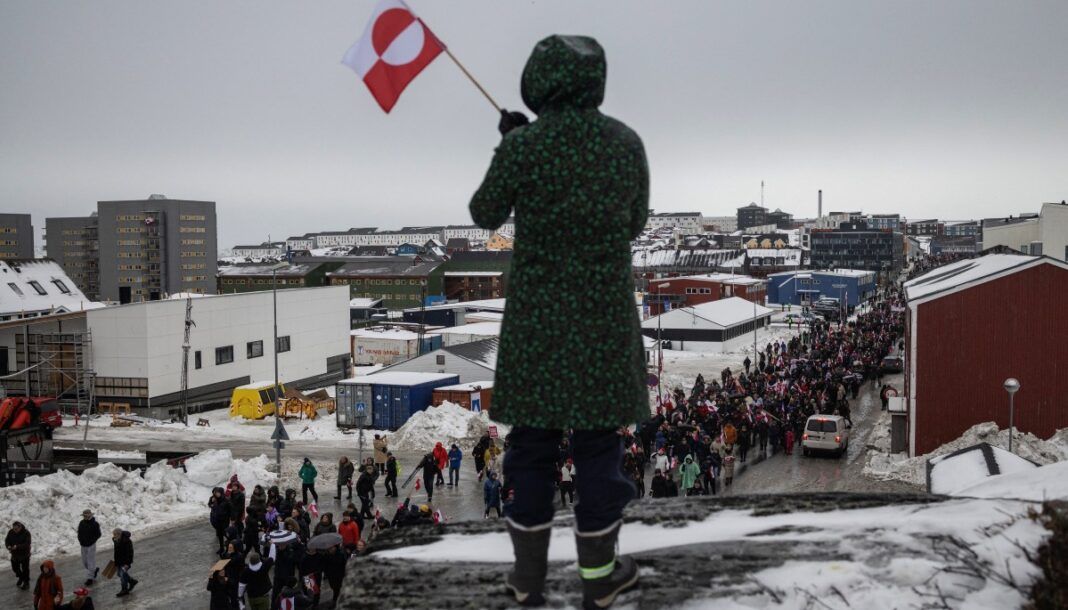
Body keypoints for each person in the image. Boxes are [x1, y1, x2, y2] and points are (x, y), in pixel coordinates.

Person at [471, 34, 648, 609]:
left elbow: (484, 212)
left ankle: (527, 580)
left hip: (538, 322)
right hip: (601, 318)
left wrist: (514, 146)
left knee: (532, 446)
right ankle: (598, 578)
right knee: (599, 447)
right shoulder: (624, 143)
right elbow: (635, 223)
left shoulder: (527, 146)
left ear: (536, 80)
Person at [77, 509, 102, 586]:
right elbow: (79, 533)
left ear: (90, 515)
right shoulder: (81, 523)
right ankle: (93, 571)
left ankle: (90, 578)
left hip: (91, 545)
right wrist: (80, 540)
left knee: (90, 562)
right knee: (85, 562)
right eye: (84, 515)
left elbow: (98, 534)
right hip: (83, 545)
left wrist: (92, 540)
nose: (86, 516)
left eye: (87, 515)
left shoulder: (95, 524)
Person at [6, 520, 31, 590]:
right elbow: (7, 540)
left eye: (16, 529)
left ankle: (26, 583)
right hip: (14, 555)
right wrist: (8, 546)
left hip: (24, 554)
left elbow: (27, 544)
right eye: (14, 528)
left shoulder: (26, 533)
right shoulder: (11, 532)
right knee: (15, 568)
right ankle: (21, 577)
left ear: (20, 527)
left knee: (25, 569)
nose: (15, 530)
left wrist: (17, 546)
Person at [111, 529, 137, 597]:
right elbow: (116, 553)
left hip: (125, 562)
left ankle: (124, 589)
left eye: (115, 535)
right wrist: (116, 562)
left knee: (122, 575)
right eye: (113, 535)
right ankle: (132, 581)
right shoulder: (116, 540)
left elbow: (130, 553)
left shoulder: (127, 541)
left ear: (119, 534)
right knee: (120, 574)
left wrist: (127, 564)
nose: (113, 536)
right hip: (119, 561)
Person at [208, 487, 232, 556]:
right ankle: (221, 548)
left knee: (226, 534)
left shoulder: (226, 500)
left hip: (224, 521)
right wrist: (212, 502)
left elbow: (231, 510)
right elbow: (211, 505)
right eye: (216, 493)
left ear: (221, 493)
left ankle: (229, 548)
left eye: (218, 493)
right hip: (217, 520)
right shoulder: (215, 499)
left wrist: (232, 519)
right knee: (220, 535)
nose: (217, 494)